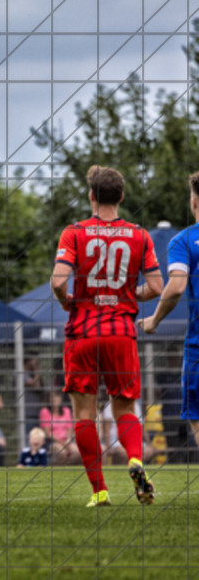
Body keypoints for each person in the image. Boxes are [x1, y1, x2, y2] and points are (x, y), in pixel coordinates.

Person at [52, 164, 162, 507]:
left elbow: (58, 281)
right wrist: (131, 295)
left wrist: (67, 300)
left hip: (83, 332)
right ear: (122, 196)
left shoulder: (74, 233)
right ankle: (135, 459)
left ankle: (99, 492)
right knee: (125, 406)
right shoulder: (140, 235)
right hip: (120, 331)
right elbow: (157, 286)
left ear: (91, 196)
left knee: (84, 413)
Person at [139, 170, 199, 467]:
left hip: (198, 345)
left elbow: (175, 286)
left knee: (198, 420)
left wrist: (153, 320)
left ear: (193, 202)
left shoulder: (184, 240)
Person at [39, 389, 80, 465]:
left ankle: (69, 472)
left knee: (78, 452)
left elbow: (69, 429)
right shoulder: (45, 411)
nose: (54, 400)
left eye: (57, 397)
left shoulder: (66, 410)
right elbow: (48, 433)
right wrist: (63, 443)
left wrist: (68, 440)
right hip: (52, 441)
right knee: (62, 452)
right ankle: (58, 471)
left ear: (61, 398)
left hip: (66, 441)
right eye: (52, 398)